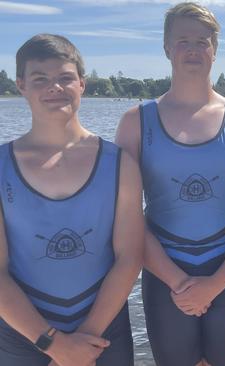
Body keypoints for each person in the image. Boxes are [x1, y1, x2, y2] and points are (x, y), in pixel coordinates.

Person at [115, 2, 225, 366]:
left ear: (215, 49)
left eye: (202, 41)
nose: (193, 49)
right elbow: (126, 217)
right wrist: (177, 282)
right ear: (167, 48)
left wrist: (216, 282)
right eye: (183, 41)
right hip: (164, 274)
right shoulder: (135, 122)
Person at [0, 34, 143, 366]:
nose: (55, 87)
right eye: (40, 79)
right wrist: (54, 345)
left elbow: (130, 257)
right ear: (21, 85)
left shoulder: (121, 163)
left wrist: (82, 345)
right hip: (24, 336)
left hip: (103, 332)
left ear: (82, 83)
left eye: (65, 78)